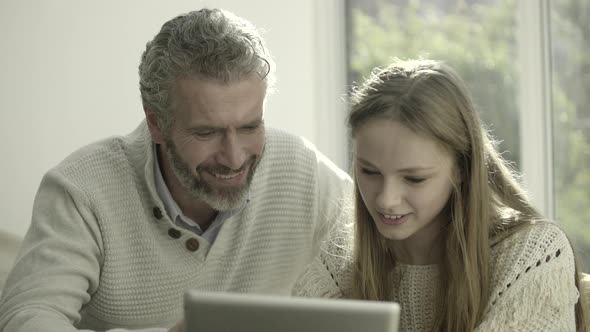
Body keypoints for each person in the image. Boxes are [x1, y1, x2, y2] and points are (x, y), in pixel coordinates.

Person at [0, 8, 353, 332]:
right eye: (206, 132)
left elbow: (383, 249)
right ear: (157, 124)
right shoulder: (82, 189)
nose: (234, 157)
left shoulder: (300, 169)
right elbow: (28, 317)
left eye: (249, 127)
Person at [294, 59, 588, 331]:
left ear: (462, 168)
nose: (386, 199)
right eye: (369, 171)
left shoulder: (533, 254)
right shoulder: (340, 261)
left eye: (414, 178)